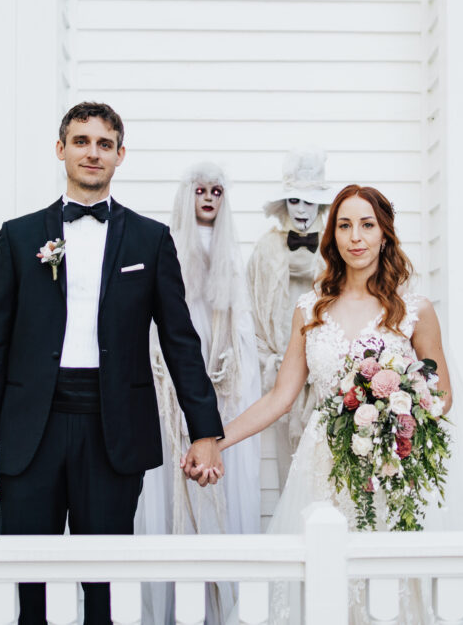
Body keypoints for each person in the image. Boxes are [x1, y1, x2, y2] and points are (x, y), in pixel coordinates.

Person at [0, 102, 224, 625]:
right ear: (61, 149)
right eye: (81, 141)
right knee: (30, 588)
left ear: (120, 155)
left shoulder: (151, 241)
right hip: (28, 433)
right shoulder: (18, 238)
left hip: (113, 432)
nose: (92, 152)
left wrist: (206, 432)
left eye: (104, 144)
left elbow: (180, 341)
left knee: (105, 587)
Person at [217, 184, 453, 624]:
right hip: (321, 472)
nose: (355, 237)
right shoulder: (310, 310)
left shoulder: (414, 309)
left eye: (367, 225)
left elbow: (442, 395)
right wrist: (216, 440)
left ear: (385, 234)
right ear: (333, 236)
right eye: (344, 225)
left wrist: (393, 413)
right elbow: (280, 397)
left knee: (385, 587)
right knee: (318, 588)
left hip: (388, 471)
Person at [136, 163, 261, 624]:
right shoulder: (168, 246)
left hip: (221, 379)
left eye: (217, 192)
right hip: (175, 378)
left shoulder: (233, 254)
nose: (208, 199)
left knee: (222, 489)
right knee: (173, 483)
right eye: (200, 190)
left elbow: (241, 325)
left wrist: (231, 372)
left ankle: (221, 607)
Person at [247, 148, 333, 486]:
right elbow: (253, 305)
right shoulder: (267, 248)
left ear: (320, 205)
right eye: (295, 200)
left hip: (326, 362)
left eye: (309, 201)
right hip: (282, 362)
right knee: (290, 469)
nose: (301, 209)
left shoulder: (335, 246)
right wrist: (268, 358)